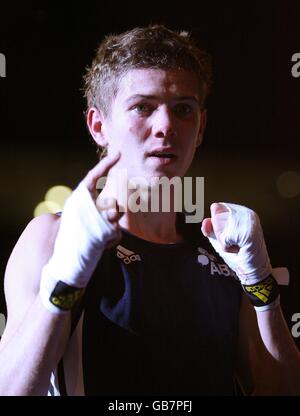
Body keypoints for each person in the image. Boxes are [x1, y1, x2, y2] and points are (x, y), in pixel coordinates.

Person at [0, 24, 299, 396]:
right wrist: (64, 278)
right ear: (98, 126)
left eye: (183, 110)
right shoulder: (51, 237)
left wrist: (261, 287)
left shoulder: (223, 252)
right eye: (143, 106)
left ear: (201, 126)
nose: (166, 126)